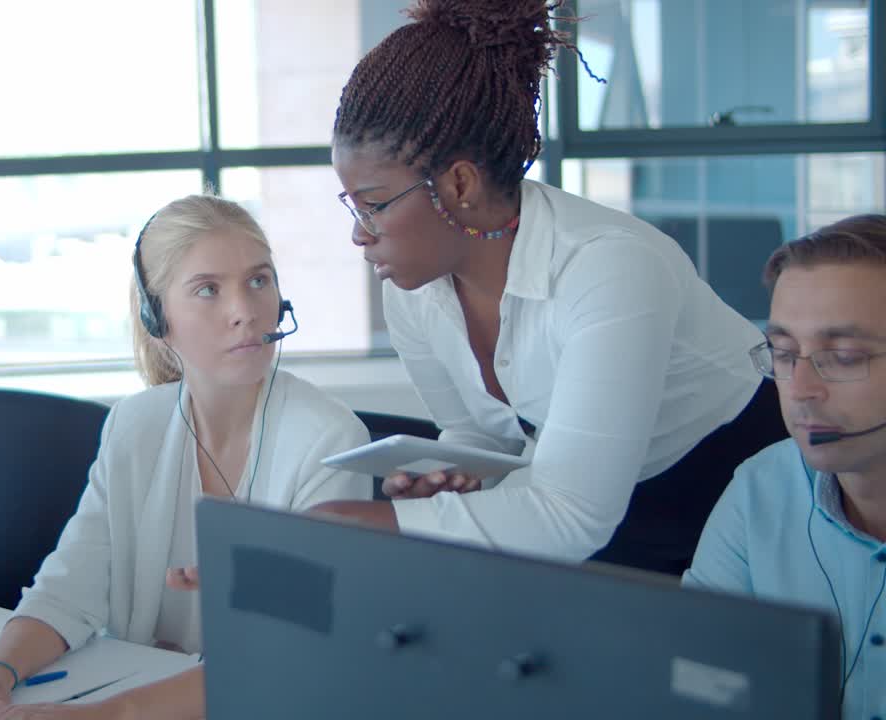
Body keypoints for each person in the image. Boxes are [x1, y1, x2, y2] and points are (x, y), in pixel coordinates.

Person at [313, 0, 787, 574]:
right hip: (587, 506)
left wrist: (363, 523)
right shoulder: (413, 290)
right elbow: (474, 435)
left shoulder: (608, 268)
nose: (359, 236)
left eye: (374, 205)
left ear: (458, 183)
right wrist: (455, 482)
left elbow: (570, 513)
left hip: (733, 494)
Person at [0, 195, 370, 720]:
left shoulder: (330, 440)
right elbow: (68, 588)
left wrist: (108, 716)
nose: (244, 310)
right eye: (208, 289)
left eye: (259, 280)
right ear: (158, 317)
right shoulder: (135, 426)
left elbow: (286, 652)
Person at [685, 215, 886, 718]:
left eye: (842, 356)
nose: (799, 389)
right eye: (783, 352)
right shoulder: (760, 491)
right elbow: (695, 680)